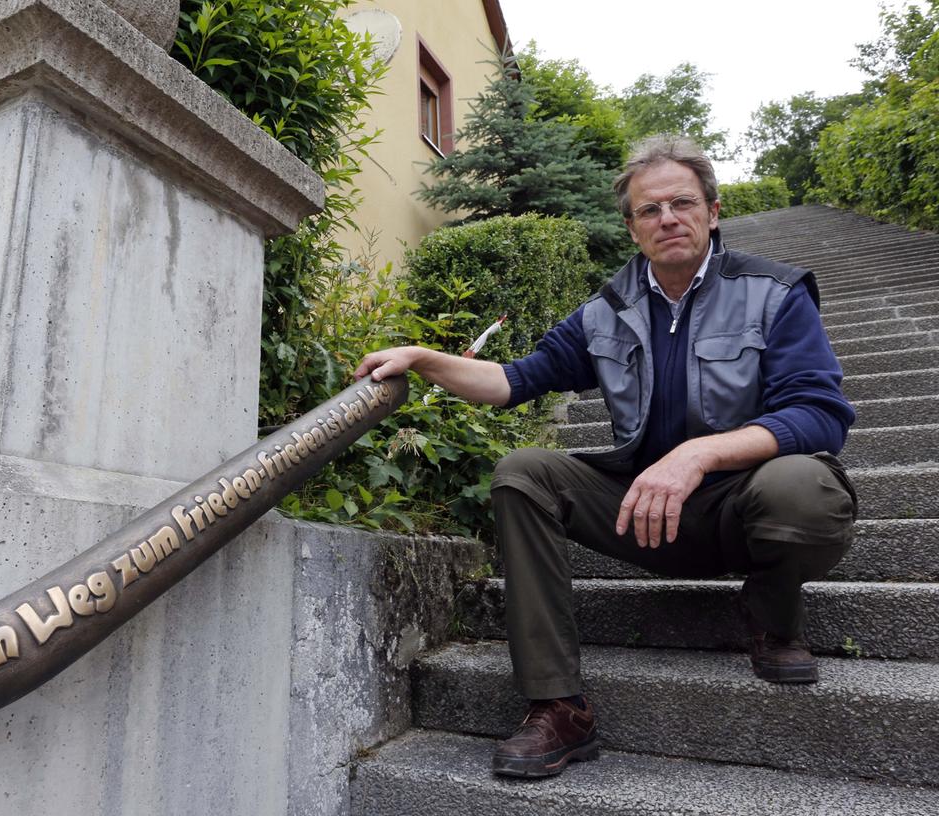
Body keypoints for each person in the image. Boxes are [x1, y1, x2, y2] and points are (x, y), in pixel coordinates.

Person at [353, 135, 857, 779]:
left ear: (713, 210)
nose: (668, 218)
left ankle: (772, 615)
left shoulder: (774, 293)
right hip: (644, 514)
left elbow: (819, 413)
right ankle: (558, 707)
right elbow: (513, 380)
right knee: (524, 472)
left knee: (803, 488)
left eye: (682, 202)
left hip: (741, 505)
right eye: (650, 210)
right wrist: (423, 360)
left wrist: (699, 455)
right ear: (631, 227)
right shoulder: (605, 312)